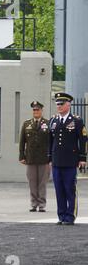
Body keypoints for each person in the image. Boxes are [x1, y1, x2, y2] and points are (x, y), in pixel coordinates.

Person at [49, 93, 87, 225]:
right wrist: (49, 158)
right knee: (59, 190)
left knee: (70, 189)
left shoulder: (76, 120)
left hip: (70, 161)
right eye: (57, 104)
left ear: (68, 104)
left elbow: (83, 140)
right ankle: (61, 215)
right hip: (56, 161)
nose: (58, 106)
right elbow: (50, 141)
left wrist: (83, 157)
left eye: (61, 104)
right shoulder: (53, 120)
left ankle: (70, 216)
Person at [19, 101, 50, 212]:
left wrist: (50, 157)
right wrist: (21, 156)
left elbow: (51, 141)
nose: (36, 112)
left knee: (42, 182)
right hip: (30, 158)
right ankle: (33, 203)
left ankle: (41, 204)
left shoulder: (48, 123)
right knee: (32, 182)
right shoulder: (27, 124)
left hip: (44, 158)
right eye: (34, 110)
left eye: (37, 110)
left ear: (41, 111)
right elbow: (22, 141)